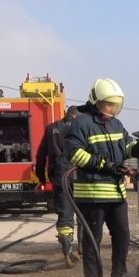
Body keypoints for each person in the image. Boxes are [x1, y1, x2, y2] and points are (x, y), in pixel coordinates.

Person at [65, 78, 139, 277]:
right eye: (109, 104)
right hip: (92, 195)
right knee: (92, 240)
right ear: (96, 101)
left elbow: (125, 146)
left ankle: (119, 275)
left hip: (116, 194)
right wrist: (102, 164)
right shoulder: (82, 123)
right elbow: (74, 153)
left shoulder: (116, 124)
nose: (113, 109)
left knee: (123, 235)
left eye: (116, 105)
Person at [35, 105, 81, 267]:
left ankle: (67, 251)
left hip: (60, 174)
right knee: (84, 212)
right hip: (80, 173)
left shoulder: (51, 129)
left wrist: (41, 177)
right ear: (78, 116)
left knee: (65, 213)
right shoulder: (83, 127)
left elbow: (41, 155)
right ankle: (82, 247)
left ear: (66, 115)